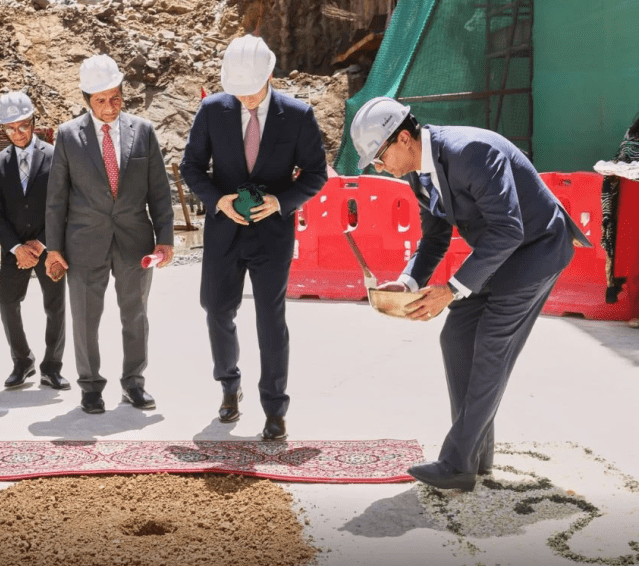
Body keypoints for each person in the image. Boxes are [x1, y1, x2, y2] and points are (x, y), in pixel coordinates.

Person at [349, 96, 591, 491]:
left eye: (379, 156)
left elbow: (510, 229)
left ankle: (457, 463)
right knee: (456, 338)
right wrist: (408, 283)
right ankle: (477, 454)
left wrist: (450, 289)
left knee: (491, 346)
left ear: (405, 138)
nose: (378, 166)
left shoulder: (471, 151)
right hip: (496, 257)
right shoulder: (417, 172)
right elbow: (435, 236)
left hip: (535, 252)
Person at [180, 35, 328, 441]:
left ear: (271, 76)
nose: (245, 100)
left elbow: (317, 174)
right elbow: (190, 167)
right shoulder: (213, 110)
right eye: (238, 93)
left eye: (252, 92)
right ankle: (229, 386)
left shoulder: (297, 116)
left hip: (272, 237)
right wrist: (218, 200)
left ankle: (275, 409)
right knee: (216, 309)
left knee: (270, 320)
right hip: (224, 232)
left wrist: (281, 202)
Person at [45, 54, 175, 414]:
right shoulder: (68, 136)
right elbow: (56, 199)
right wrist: (53, 248)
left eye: (115, 97)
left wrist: (165, 239)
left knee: (135, 315)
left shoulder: (143, 131)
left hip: (135, 241)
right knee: (86, 317)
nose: (109, 107)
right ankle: (90, 386)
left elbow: (159, 191)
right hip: (83, 243)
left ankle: (134, 383)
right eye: (100, 100)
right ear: (87, 100)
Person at [0, 91, 68, 390]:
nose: (18, 134)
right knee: (8, 303)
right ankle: (22, 361)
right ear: (2, 129)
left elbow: (63, 204)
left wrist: (41, 243)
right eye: (10, 128)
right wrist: (16, 247)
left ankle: (52, 366)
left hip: (51, 248)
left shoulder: (55, 155)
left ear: (33, 122)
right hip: (14, 251)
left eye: (23, 126)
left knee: (55, 306)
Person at [597, 112, 639, 326]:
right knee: (634, 258)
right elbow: (623, 156)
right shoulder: (633, 133)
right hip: (633, 199)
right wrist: (617, 166)